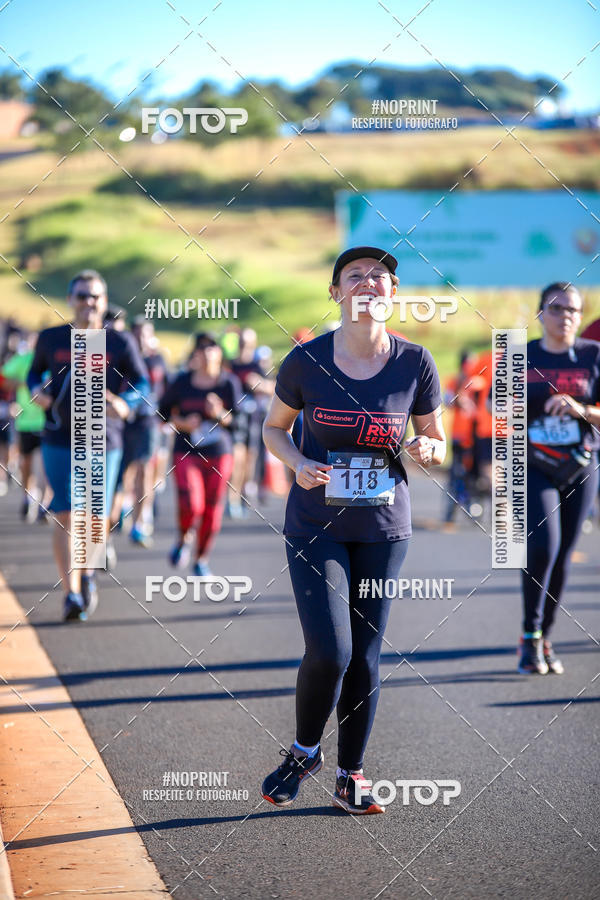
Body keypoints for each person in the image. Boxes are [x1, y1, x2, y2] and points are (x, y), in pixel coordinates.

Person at [260, 246, 445, 814]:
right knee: (331, 649)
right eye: (356, 276)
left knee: (365, 655)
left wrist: (427, 448)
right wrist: (298, 463)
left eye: (382, 277)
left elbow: (436, 438)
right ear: (336, 293)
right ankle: (304, 749)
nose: (370, 283)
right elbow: (274, 430)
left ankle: (351, 774)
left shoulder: (415, 362)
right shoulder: (306, 362)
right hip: (316, 523)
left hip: (385, 528)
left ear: (394, 294)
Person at [27, 270, 149, 621]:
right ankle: (72, 593)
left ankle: (89, 574)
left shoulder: (120, 343)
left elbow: (142, 382)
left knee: (95, 515)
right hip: (59, 436)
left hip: (103, 437)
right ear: (70, 300)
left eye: (95, 296)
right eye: (81, 295)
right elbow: (34, 373)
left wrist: (127, 402)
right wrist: (37, 391)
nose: (88, 302)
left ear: (104, 301)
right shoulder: (51, 338)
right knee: (65, 511)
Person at [518, 282, 600, 674]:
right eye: (556, 308)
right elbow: (495, 411)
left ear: (580, 317)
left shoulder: (593, 355)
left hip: (581, 465)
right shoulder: (520, 355)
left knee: (565, 555)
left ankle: (546, 634)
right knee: (543, 548)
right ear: (540, 314)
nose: (565, 315)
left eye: (573, 309)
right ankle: (530, 636)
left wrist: (580, 408)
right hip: (534, 466)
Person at [158, 331, 242, 576]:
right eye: (201, 349)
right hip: (186, 451)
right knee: (191, 503)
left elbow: (238, 423)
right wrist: (183, 423)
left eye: (212, 348)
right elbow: (162, 413)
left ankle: (201, 558)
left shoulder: (228, 383)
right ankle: (184, 538)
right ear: (194, 355)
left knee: (212, 509)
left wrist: (219, 414)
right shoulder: (181, 381)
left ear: (219, 353)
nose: (206, 353)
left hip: (218, 452)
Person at [111, 317, 169, 546]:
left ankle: (139, 523)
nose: (142, 340)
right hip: (124, 421)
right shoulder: (123, 359)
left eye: (146, 334)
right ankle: (121, 507)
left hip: (148, 421)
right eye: (137, 335)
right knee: (125, 470)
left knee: (146, 470)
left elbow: (167, 388)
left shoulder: (159, 360)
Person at [1, 331, 51, 521]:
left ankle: (45, 503)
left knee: (48, 467)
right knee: (27, 463)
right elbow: (3, 378)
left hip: (49, 422)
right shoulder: (24, 359)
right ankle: (28, 497)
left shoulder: (54, 360)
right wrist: (24, 383)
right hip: (26, 420)